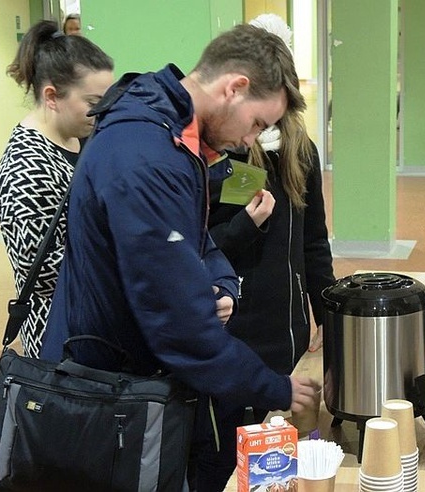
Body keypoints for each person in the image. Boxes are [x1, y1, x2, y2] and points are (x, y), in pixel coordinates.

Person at [39, 23, 320, 489]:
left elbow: (193, 239)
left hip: (132, 380)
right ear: (235, 88)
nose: (251, 142)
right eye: (257, 124)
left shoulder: (171, 131)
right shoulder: (148, 157)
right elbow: (183, 331)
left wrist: (222, 285)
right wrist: (278, 387)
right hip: (108, 393)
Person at [197, 15, 335, 490]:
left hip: (289, 334)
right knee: (229, 463)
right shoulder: (219, 154)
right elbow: (205, 250)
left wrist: (326, 316)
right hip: (233, 335)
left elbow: (315, 241)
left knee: (282, 466)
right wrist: (247, 225)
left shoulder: (303, 152)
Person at [0, 20, 113, 358]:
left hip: (98, 323)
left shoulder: (83, 138)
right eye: (93, 100)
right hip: (61, 336)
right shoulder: (24, 167)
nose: (102, 110)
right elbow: (44, 273)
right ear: (52, 96)